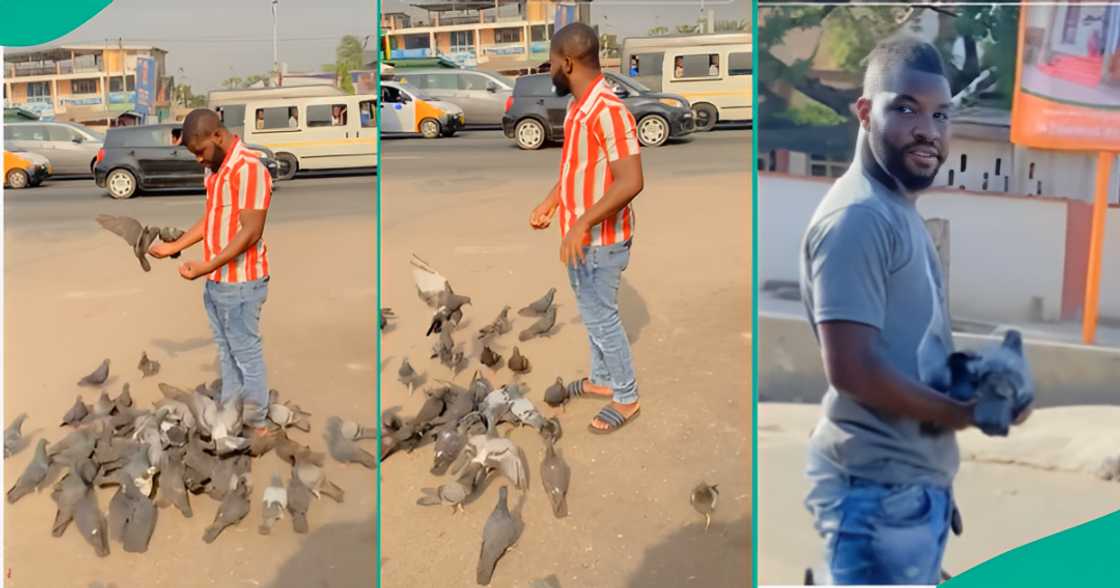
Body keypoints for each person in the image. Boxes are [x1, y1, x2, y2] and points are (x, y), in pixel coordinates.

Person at [799, 38, 1030, 585]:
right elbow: (853, 369)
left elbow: (907, 351)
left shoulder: (896, 209)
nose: (929, 129)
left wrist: (983, 381)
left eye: (941, 114)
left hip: (904, 489)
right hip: (879, 493)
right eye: (905, 108)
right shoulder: (858, 219)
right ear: (864, 112)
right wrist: (966, 415)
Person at [529, 23, 644, 434]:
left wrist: (581, 223)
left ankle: (626, 396)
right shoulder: (581, 105)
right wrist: (552, 202)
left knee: (602, 319)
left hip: (601, 240)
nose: (550, 71)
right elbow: (578, 170)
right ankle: (601, 379)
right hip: (581, 237)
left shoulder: (608, 109)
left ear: (568, 62)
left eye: (551, 63)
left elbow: (631, 181)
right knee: (590, 312)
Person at [149, 108, 274, 434]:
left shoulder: (248, 169)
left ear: (217, 135)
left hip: (242, 283)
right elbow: (212, 221)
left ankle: (257, 422)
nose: (199, 160)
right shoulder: (216, 170)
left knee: (246, 355)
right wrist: (176, 248)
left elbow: (251, 231)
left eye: (200, 151)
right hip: (218, 282)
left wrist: (206, 265)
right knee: (226, 352)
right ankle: (231, 413)